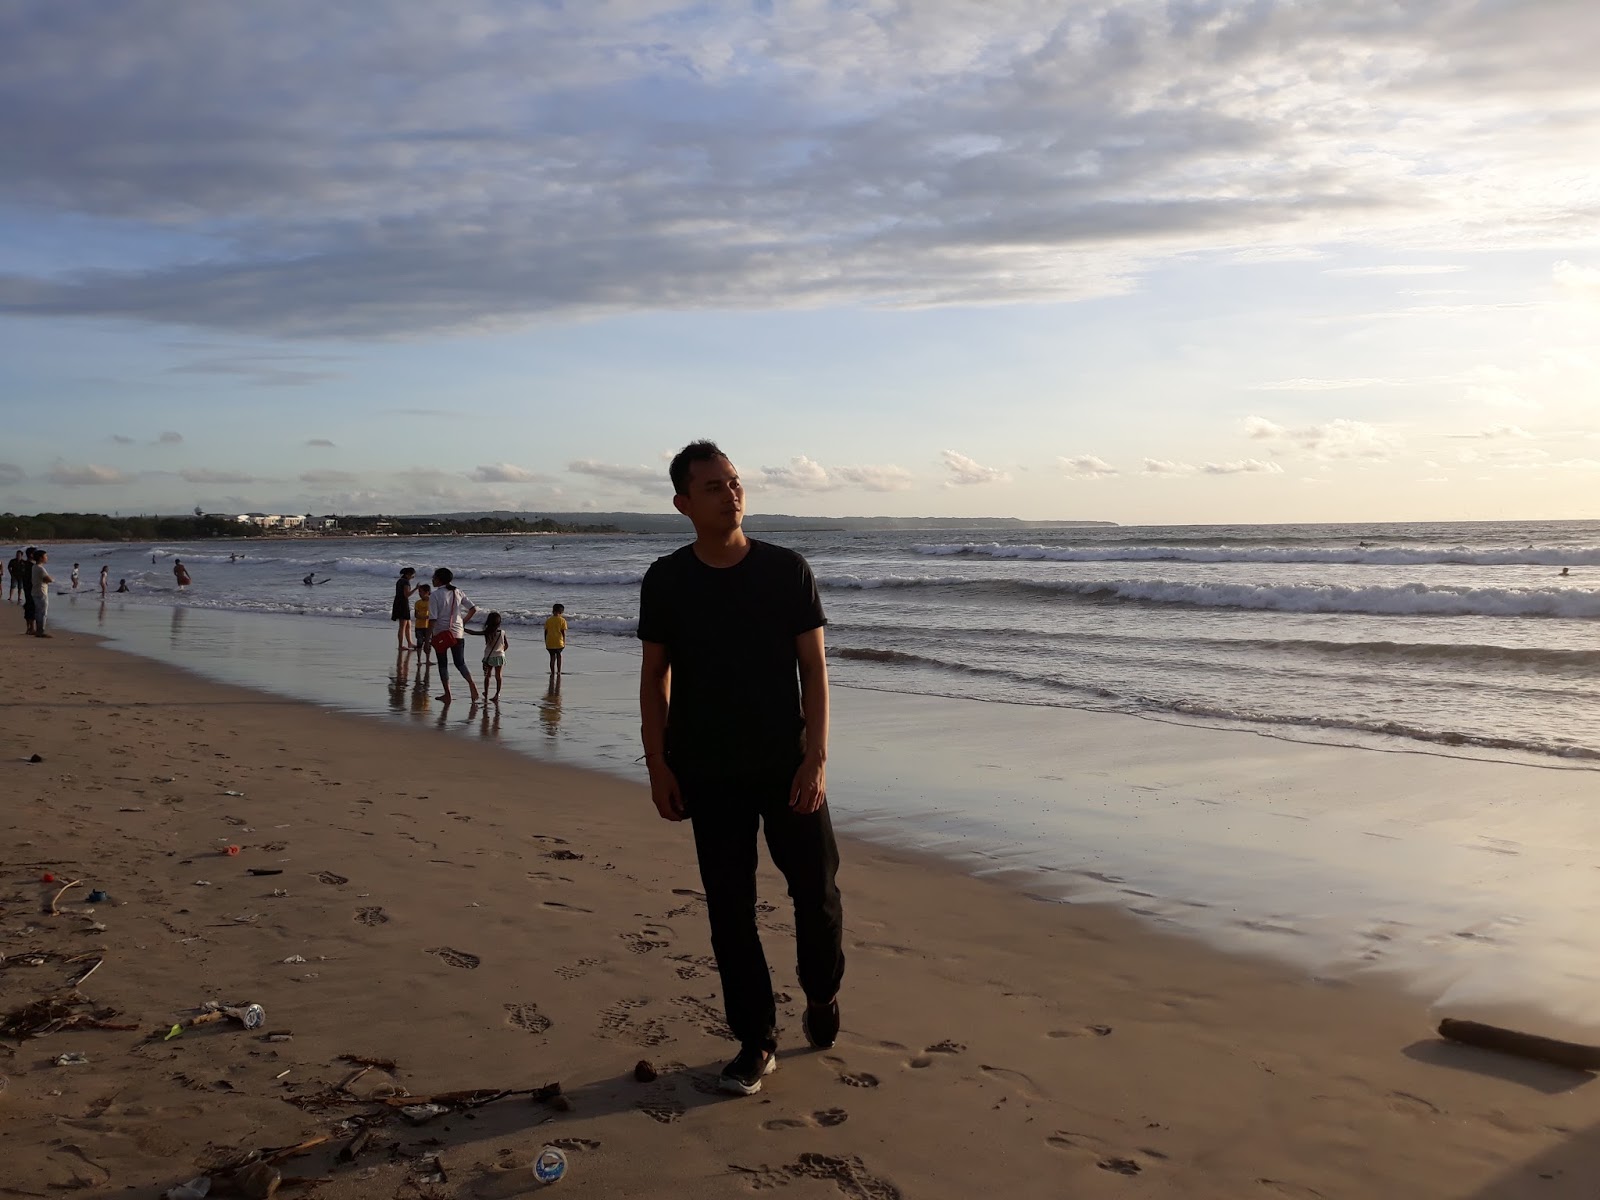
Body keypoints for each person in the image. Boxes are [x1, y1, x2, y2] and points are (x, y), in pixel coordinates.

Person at [637, 440, 841, 1096]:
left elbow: (814, 669)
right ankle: (756, 1041)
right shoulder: (667, 580)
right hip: (708, 768)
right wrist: (658, 766)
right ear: (683, 503)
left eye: (734, 481)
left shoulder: (787, 570)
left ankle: (821, 990)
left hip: (787, 765)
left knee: (816, 894)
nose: (731, 493)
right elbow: (654, 680)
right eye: (713, 486)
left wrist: (815, 758)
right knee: (731, 910)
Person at [428, 568, 479, 704]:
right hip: (457, 633)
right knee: (460, 662)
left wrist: (428, 639)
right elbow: (473, 609)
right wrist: (462, 623)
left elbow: (432, 619)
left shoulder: (435, 595)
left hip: (441, 634)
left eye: (434, 577)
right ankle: (472, 684)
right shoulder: (458, 592)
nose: (432, 579)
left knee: (442, 664)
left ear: (439, 579)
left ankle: (448, 694)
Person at [467, 611, 509, 703]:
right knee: (498, 676)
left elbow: (473, 633)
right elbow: (506, 645)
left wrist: (462, 628)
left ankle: (486, 692)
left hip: (488, 657)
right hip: (500, 656)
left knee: (487, 676)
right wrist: (501, 651)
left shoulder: (488, 632)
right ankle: (497, 694)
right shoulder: (502, 632)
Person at [391, 567, 417, 651]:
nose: (413, 577)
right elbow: (407, 595)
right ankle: (400, 645)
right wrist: (416, 588)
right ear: (408, 574)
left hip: (398, 602)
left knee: (408, 624)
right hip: (402, 604)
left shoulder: (400, 581)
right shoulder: (406, 582)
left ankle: (409, 642)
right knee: (402, 625)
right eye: (412, 575)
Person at [31, 549, 54, 638]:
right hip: (41, 592)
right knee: (43, 613)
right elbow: (49, 579)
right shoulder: (40, 568)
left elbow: (44, 579)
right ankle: (41, 631)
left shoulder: (34, 567)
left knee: (38, 612)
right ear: (41, 558)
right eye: (45, 556)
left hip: (35, 591)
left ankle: (39, 630)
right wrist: (51, 578)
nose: (46, 558)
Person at [544, 603, 568, 677]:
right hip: (559, 642)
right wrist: (564, 641)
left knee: (552, 657)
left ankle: (552, 672)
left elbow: (546, 632)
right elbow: (563, 632)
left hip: (550, 642)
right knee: (559, 656)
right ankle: (559, 671)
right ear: (561, 612)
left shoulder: (548, 620)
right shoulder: (562, 620)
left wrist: (546, 641)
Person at [21, 549, 38, 633]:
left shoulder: (24, 565)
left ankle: (29, 628)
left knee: (28, 605)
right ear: (31, 555)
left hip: (26, 587)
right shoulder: (32, 566)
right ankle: (31, 628)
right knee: (32, 607)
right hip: (31, 588)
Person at [413, 583, 433, 655]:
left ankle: (427, 659)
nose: (419, 594)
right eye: (419, 592)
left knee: (429, 642)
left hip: (428, 626)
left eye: (421, 592)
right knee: (419, 642)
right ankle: (419, 659)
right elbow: (416, 615)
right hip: (419, 626)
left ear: (427, 592)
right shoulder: (418, 603)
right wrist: (423, 617)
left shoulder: (432, 602)